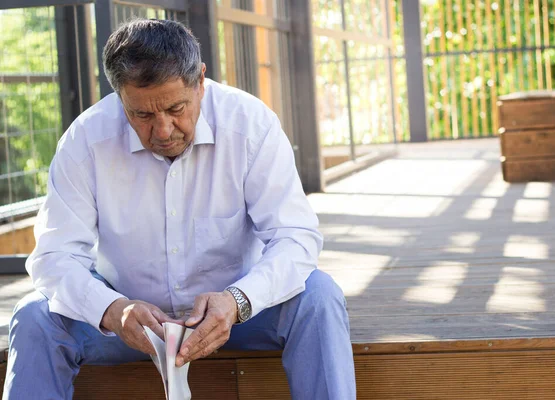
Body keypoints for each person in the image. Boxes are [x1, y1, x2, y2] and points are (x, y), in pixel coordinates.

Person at [2, 19, 356, 399]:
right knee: (34, 316)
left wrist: (237, 302)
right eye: (142, 115)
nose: (164, 130)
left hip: (239, 316)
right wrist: (112, 309)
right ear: (119, 96)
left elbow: (296, 238)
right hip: (128, 326)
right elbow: (54, 257)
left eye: (176, 108)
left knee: (319, 295)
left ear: (200, 81)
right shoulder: (85, 140)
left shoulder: (251, 125)